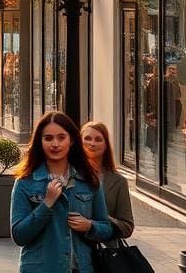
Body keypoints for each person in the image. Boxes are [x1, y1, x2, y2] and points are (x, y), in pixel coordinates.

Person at [11, 111, 113, 273]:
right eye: (48, 138)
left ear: (71, 140)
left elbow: (106, 228)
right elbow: (19, 235)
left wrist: (90, 226)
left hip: (81, 267)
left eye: (61, 137)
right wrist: (46, 204)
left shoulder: (89, 180)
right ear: (40, 142)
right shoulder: (25, 182)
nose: (55, 144)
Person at [82, 120, 135, 239]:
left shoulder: (118, 181)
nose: (92, 143)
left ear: (106, 144)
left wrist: (100, 219)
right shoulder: (67, 174)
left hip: (104, 250)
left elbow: (127, 227)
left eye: (98, 139)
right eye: (87, 138)